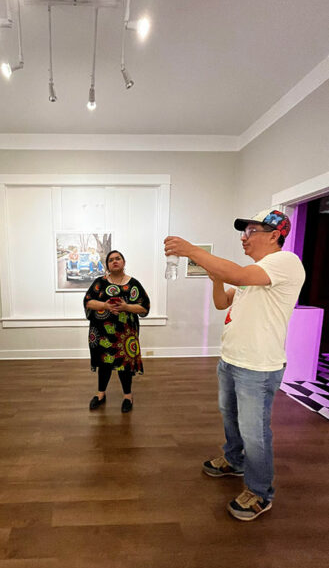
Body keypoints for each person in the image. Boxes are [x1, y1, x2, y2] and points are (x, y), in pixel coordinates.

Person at [164, 209, 305, 521]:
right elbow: (221, 302)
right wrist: (216, 279)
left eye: (252, 231)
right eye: (244, 232)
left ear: (274, 235)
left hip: (258, 366)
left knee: (255, 432)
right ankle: (234, 460)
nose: (245, 237)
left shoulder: (285, 263)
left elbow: (238, 276)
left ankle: (260, 492)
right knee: (230, 416)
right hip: (231, 359)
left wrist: (191, 251)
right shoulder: (255, 271)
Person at [84, 250, 150, 413]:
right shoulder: (99, 282)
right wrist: (105, 305)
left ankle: (128, 396)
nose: (114, 261)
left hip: (125, 336)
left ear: (124, 262)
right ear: (107, 265)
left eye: (118, 259)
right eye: (111, 260)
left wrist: (126, 307)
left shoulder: (133, 284)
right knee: (104, 364)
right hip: (102, 333)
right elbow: (88, 302)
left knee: (125, 366)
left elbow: (144, 307)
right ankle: (100, 395)